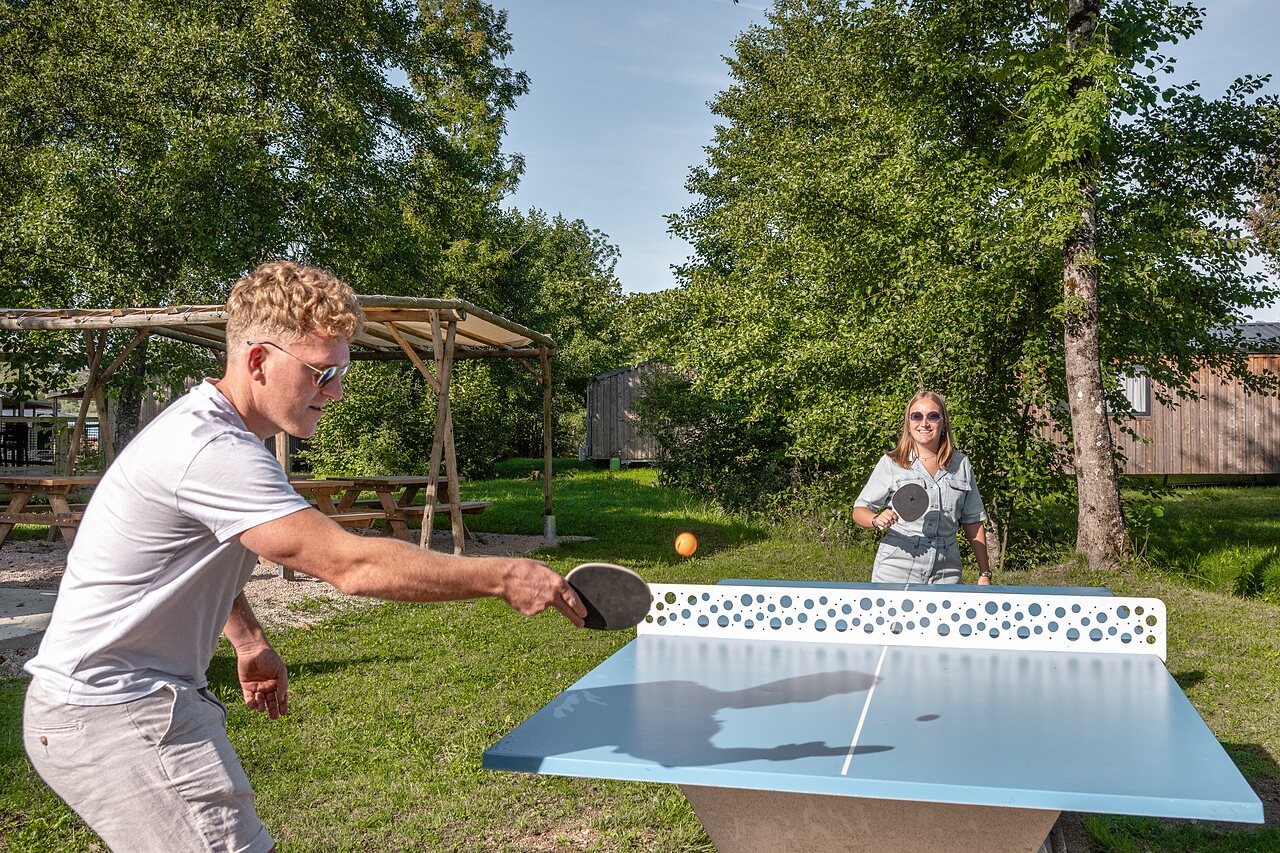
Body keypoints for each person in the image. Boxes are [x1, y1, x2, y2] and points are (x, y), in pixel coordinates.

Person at [22, 260, 588, 853]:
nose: (336, 390)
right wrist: (504, 574)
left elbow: (194, 555)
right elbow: (350, 564)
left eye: (339, 372)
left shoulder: (218, 434)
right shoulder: (212, 449)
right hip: (114, 710)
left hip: (124, 701)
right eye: (323, 373)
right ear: (259, 361)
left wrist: (246, 639)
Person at [852, 391, 992, 585]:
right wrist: (876, 519)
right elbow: (859, 510)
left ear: (943, 423)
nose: (924, 423)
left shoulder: (961, 465)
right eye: (916, 416)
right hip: (896, 567)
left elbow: (973, 522)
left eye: (932, 416)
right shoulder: (892, 463)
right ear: (909, 424)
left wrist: (985, 573)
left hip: (947, 571)